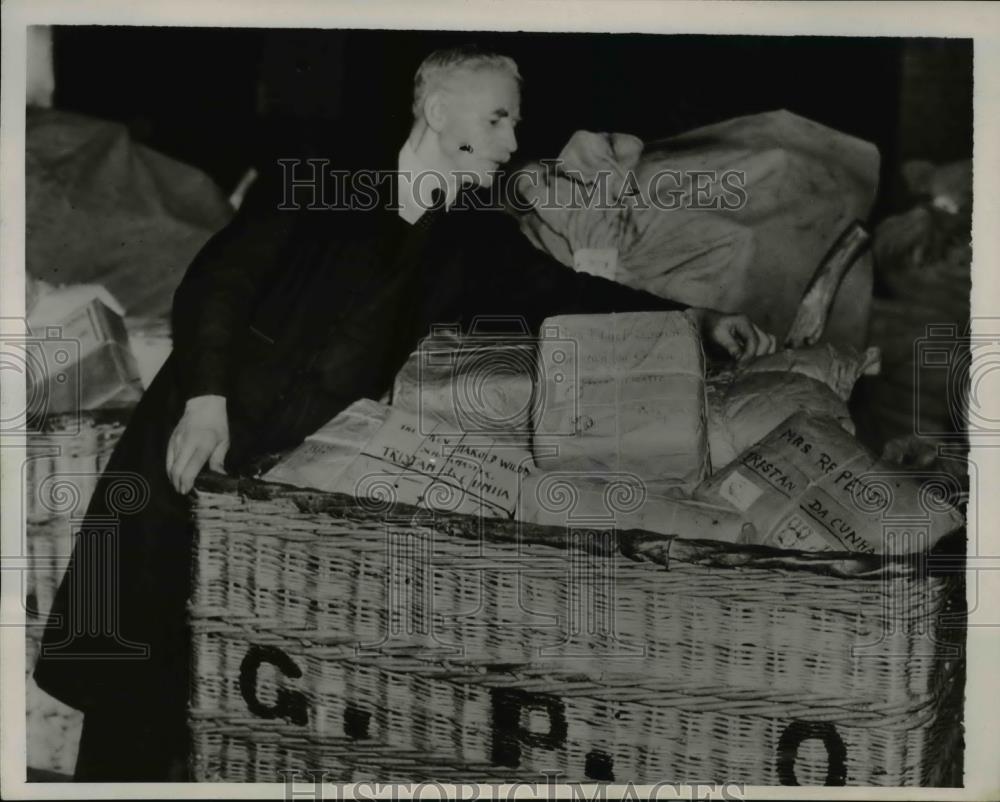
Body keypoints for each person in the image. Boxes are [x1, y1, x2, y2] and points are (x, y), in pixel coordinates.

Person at [34, 45, 776, 781]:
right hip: (199, 432)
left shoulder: (464, 232)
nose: (512, 143)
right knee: (132, 676)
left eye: (514, 124)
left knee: (223, 688)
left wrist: (696, 318)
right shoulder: (326, 178)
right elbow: (218, 281)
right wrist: (203, 401)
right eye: (495, 120)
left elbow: (560, 290)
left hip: (280, 476)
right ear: (434, 112)